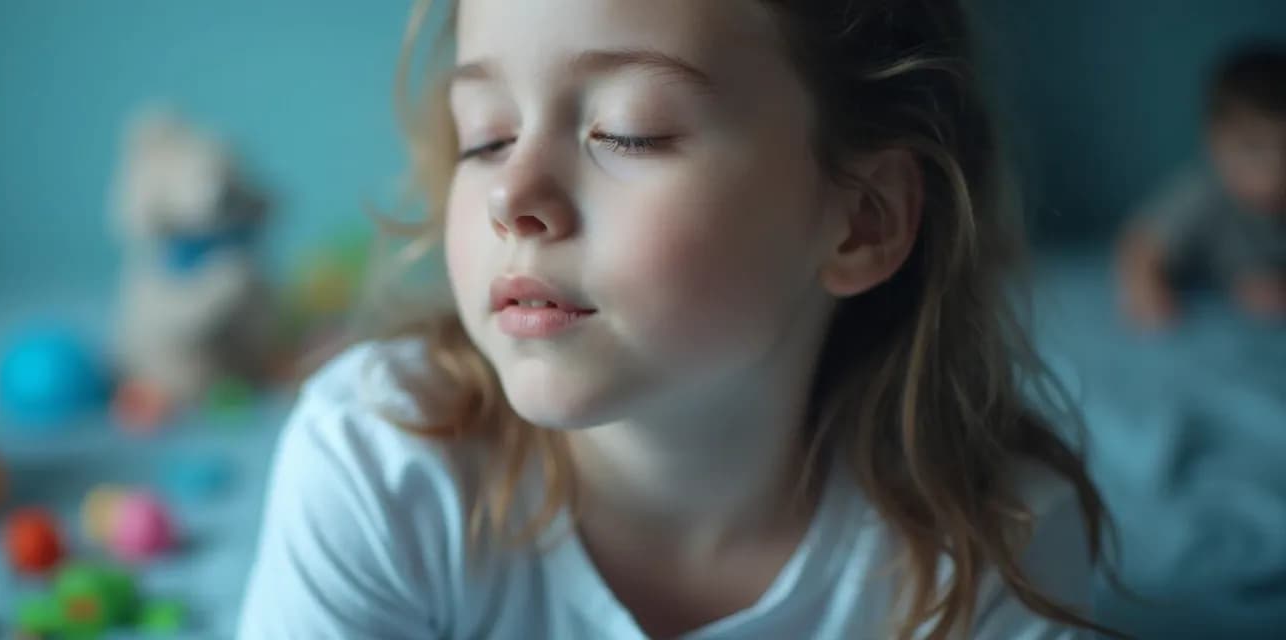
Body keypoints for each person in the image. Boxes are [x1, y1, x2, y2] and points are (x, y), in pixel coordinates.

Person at [240, 1, 1119, 638]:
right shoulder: (378, 464)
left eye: (629, 131)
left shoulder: (993, 551)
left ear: (863, 219)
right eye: (487, 136)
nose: (512, 194)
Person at [1117, 46, 1286, 329]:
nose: (1274, 173)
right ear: (1214, 141)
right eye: (1252, 149)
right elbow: (1140, 246)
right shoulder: (1203, 193)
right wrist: (1148, 297)